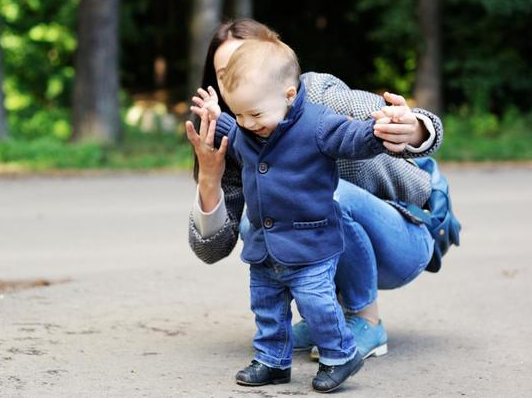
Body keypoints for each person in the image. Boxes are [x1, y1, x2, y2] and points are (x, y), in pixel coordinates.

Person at [187, 20, 440, 365]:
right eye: (225, 73)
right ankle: (324, 315)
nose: (238, 78)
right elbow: (212, 250)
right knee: (258, 223)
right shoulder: (239, 131)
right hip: (329, 247)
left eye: (244, 64)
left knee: (330, 199)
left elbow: (391, 119)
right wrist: (209, 180)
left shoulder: (318, 95)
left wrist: (412, 129)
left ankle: (365, 319)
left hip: (402, 238)